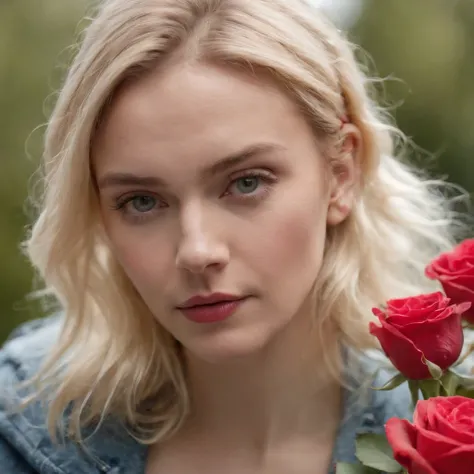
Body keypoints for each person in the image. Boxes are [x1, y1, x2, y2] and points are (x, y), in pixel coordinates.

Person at [0, 0, 467, 473]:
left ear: (340, 174)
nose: (198, 251)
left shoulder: (453, 425)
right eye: (142, 201)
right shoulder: (24, 424)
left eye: (247, 183)